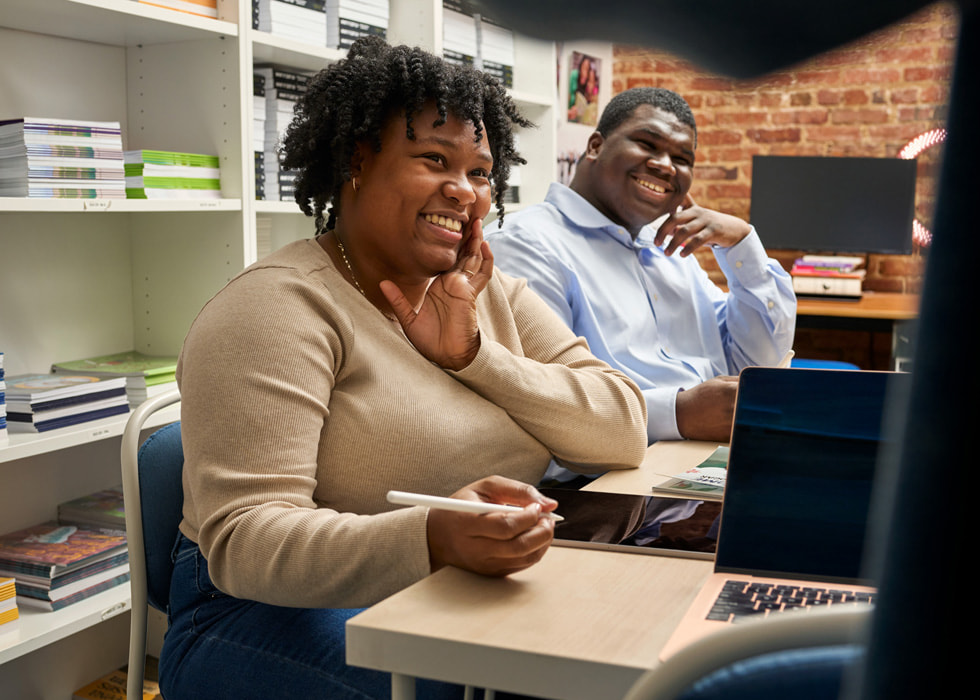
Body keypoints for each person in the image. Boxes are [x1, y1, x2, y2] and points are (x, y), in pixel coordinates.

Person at [161, 36, 647, 700]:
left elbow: (622, 427)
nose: (465, 192)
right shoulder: (276, 309)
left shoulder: (486, 290)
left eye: (480, 172)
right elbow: (246, 542)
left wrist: (475, 358)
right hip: (260, 617)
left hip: (441, 592)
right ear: (356, 160)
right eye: (432, 160)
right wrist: (431, 537)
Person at [485, 87, 796, 485]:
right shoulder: (525, 244)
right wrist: (679, 413)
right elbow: (543, 409)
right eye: (647, 144)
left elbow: (757, 366)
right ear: (595, 145)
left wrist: (742, 245)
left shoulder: (668, 250)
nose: (666, 166)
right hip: (610, 484)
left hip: (713, 461)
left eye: (682, 159)